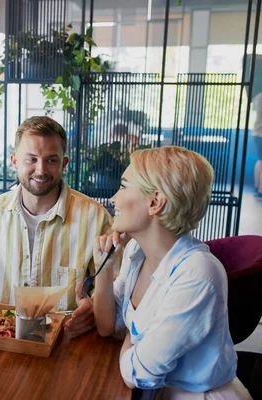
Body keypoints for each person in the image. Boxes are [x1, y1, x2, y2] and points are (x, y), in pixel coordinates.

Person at [92, 146, 251, 398]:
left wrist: (132, 338)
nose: (113, 198)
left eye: (123, 187)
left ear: (155, 202)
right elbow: (106, 327)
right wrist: (104, 265)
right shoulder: (135, 252)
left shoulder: (198, 273)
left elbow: (137, 373)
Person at [0, 116, 114, 337]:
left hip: (66, 343)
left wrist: (93, 307)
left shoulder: (96, 218)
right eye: (31, 159)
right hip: (1, 340)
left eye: (51, 160)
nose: (40, 170)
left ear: (64, 164)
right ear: (14, 161)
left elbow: (116, 285)